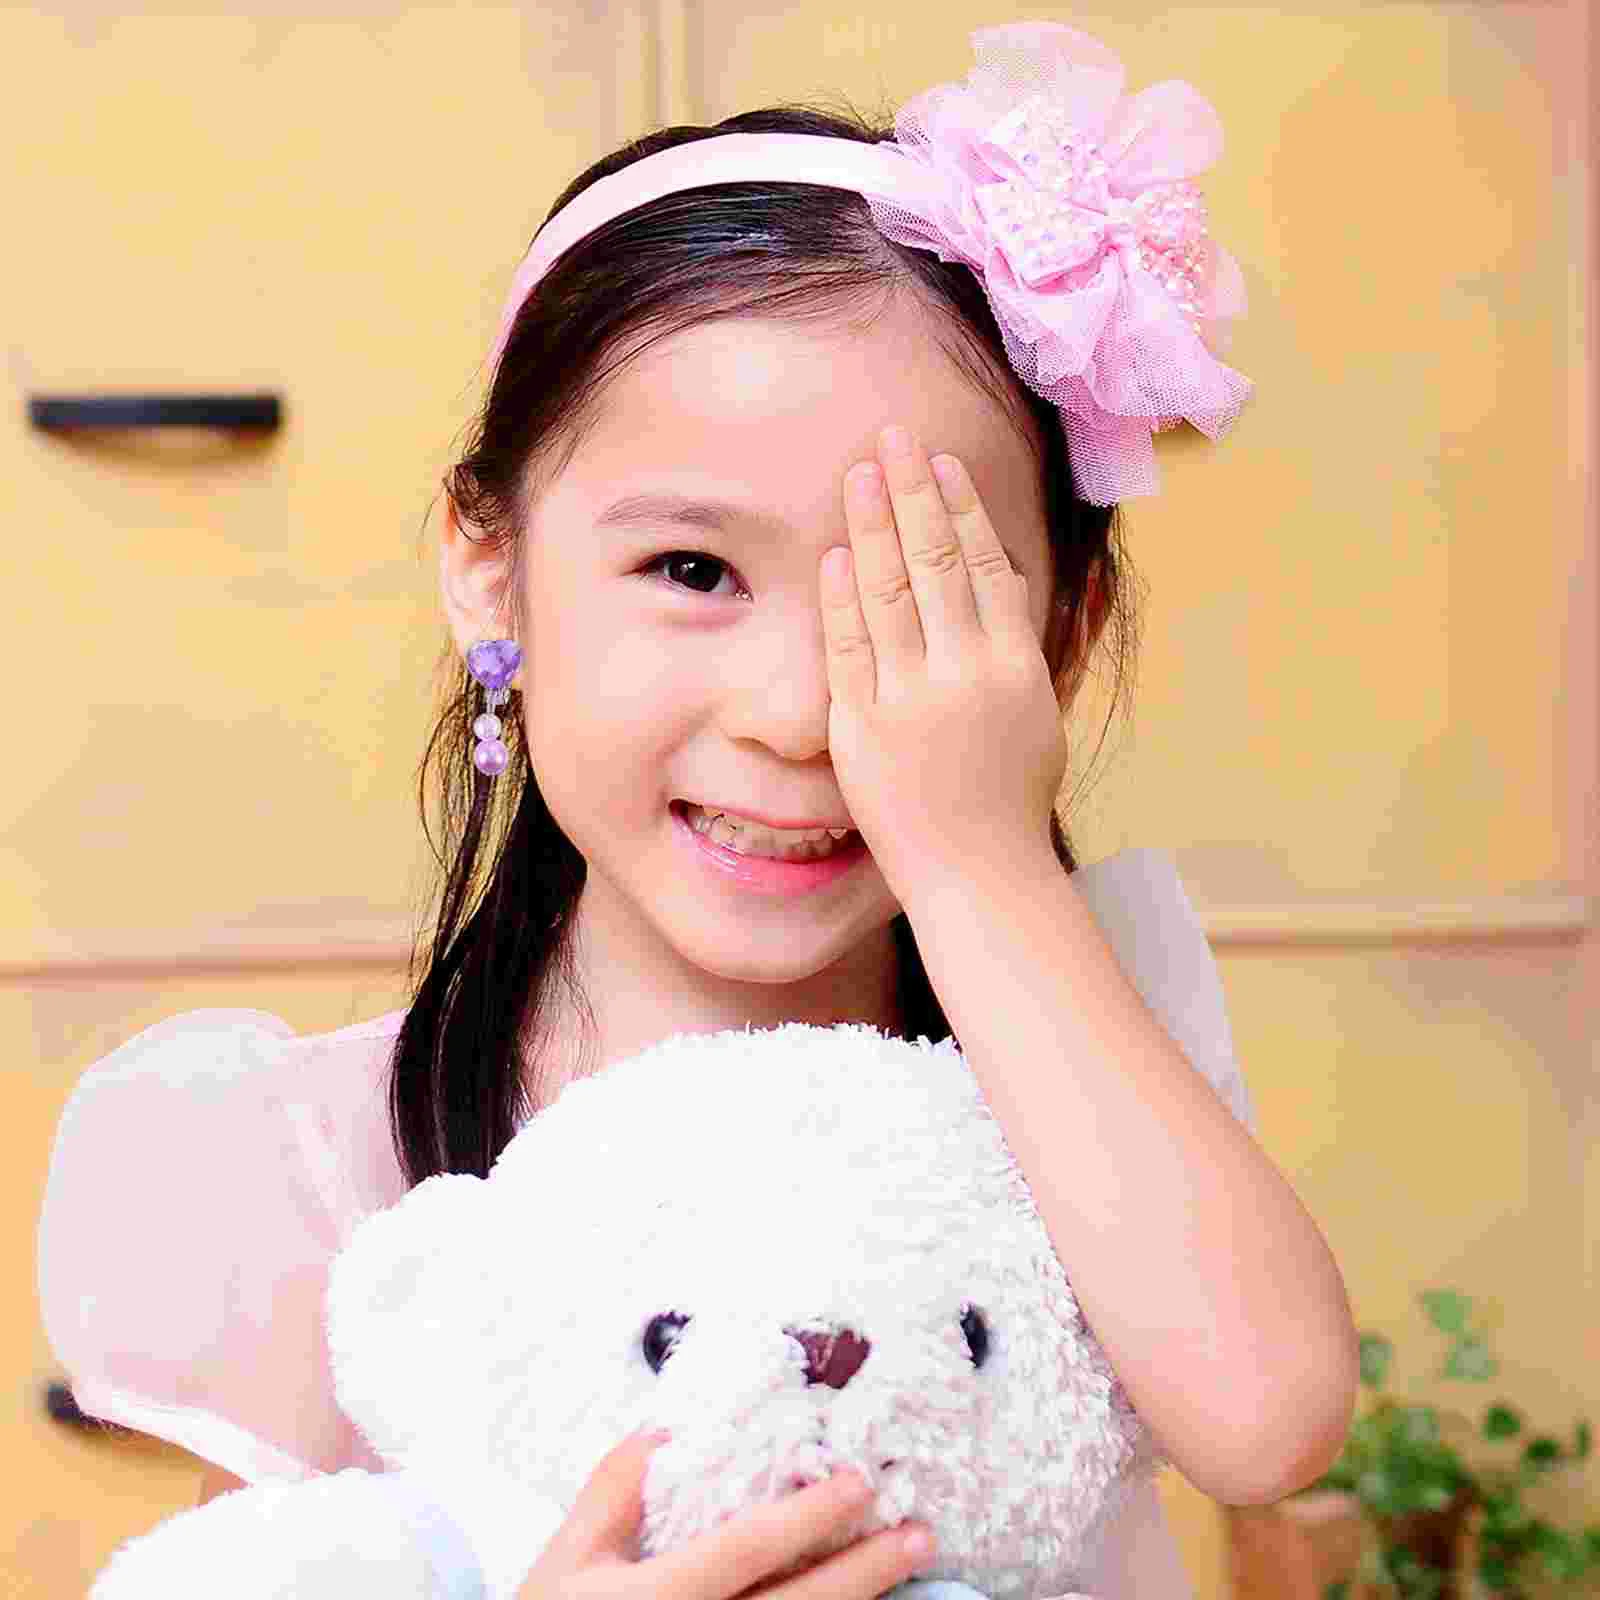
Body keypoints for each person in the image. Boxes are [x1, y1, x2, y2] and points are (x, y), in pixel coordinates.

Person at [39, 21, 1355, 1599]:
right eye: (691, 570)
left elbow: (1269, 1423)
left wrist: (980, 857)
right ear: (487, 566)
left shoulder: (1082, 1043)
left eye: (915, 604)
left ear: (1061, 637)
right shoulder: (325, 1172)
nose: (795, 716)